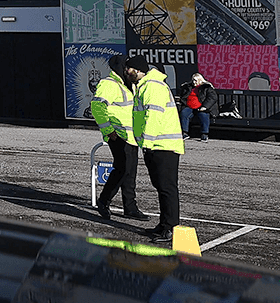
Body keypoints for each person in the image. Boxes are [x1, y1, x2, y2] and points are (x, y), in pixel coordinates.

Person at [124, 55, 185, 240]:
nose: (126, 72)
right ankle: (164, 224)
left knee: (167, 188)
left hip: (162, 145)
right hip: (157, 145)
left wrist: (147, 143)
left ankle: (171, 228)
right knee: (162, 187)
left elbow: (154, 116)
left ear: (137, 70)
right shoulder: (145, 85)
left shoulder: (152, 86)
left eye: (129, 69)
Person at [91, 56, 143, 221]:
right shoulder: (109, 84)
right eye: (126, 67)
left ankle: (130, 207)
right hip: (118, 135)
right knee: (122, 170)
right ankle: (104, 201)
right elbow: (97, 107)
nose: (129, 70)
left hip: (131, 136)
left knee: (130, 173)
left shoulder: (128, 85)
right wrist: (108, 131)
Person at [182, 73, 215, 141]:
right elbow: (183, 97)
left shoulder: (206, 87)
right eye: (193, 80)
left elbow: (212, 98)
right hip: (189, 106)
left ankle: (204, 134)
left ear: (200, 80)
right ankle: (184, 133)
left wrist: (205, 107)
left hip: (201, 107)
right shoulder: (188, 87)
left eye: (195, 80)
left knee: (204, 115)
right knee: (184, 113)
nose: (194, 82)